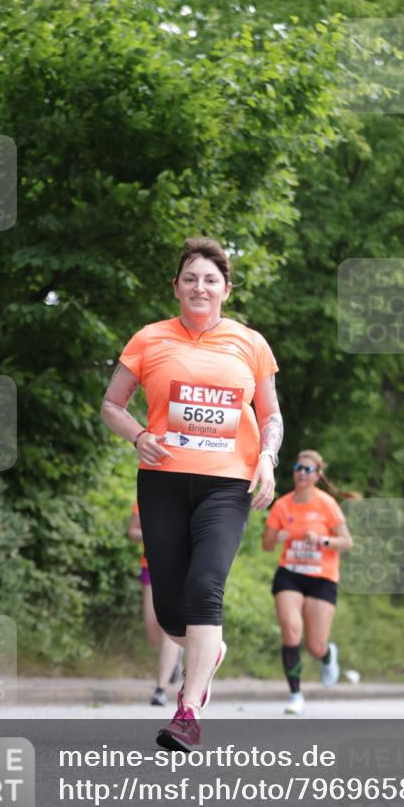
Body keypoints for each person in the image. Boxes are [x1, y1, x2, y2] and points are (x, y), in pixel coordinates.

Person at [101, 237, 282, 750]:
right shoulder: (149, 339)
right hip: (161, 479)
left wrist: (267, 458)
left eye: (210, 279)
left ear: (226, 288)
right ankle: (208, 649)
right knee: (171, 613)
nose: (200, 287)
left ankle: (189, 708)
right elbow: (112, 404)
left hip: (227, 483)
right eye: (190, 278)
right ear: (176, 288)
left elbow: (270, 415)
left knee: (206, 587)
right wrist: (139, 434)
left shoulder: (250, 343)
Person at [263, 450, 355, 715]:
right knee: (291, 630)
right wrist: (276, 538)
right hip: (290, 573)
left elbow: (347, 542)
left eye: (307, 470)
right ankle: (295, 695)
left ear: (317, 476)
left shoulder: (326, 504)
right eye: (297, 467)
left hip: (321, 578)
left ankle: (327, 655)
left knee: (315, 645)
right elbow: (267, 545)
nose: (301, 473)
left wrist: (323, 541)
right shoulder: (282, 505)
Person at [127, 503, 183, 706]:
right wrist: (148, 534)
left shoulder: (188, 493)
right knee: (153, 629)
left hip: (179, 568)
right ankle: (176, 658)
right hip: (150, 566)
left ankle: (161, 689)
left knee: (170, 627)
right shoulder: (146, 496)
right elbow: (133, 531)